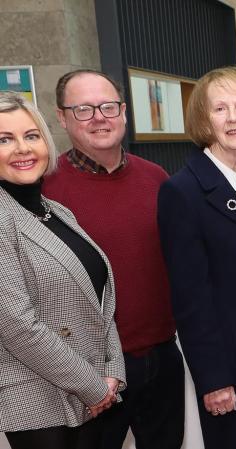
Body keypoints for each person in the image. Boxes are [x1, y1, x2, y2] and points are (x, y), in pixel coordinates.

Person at [43, 69, 185, 449]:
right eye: (84, 109)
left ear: (123, 112)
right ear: (61, 117)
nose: (99, 117)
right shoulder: (44, 190)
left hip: (162, 356)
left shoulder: (157, 179)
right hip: (90, 371)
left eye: (108, 106)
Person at [157, 67, 236, 449]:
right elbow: (190, 297)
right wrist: (213, 378)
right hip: (233, 370)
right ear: (203, 120)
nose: (234, 118)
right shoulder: (181, 192)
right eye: (220, 109)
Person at [0, 91, 124, 449]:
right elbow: (18, 327)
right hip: (37, 400)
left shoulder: (57, 212)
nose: (22, 148)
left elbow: (101, 302)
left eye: (31, 135)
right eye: (5, 139)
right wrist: (93, 385)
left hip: (90, 390)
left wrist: (113, 369)